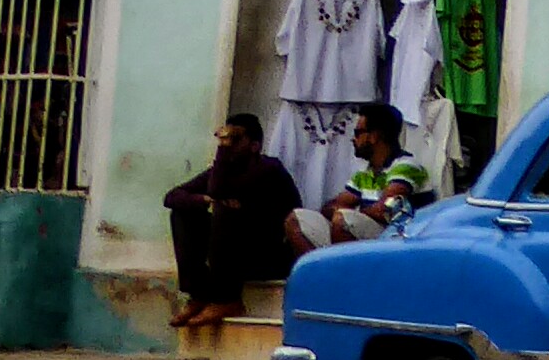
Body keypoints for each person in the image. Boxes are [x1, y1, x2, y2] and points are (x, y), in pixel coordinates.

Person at [161, 114, 304, 329]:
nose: (228, 146)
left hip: (269, 256)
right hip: (233, 257)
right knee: (182, 214)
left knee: (224, 211)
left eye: (235, 140)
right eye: (225, 140)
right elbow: (172, 197)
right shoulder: (222, 172)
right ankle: (199, 294)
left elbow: (218, 190)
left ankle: (226, 299)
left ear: (254, 146)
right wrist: (202, 200)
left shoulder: (269, 170)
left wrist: (221, 155)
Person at [289, 104, 437, 255]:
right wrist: (349, 211)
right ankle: (319, 274)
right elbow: (331, 207)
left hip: (400, 240)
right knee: (296, 220)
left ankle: (346, 275)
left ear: (374, 136)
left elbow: (386, 210)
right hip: (372, 237)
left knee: (343, 221)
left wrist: (351, 211)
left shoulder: (406, 166)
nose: (353, 139)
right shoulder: (364, 174)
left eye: (357, 133)